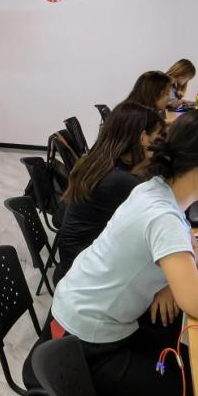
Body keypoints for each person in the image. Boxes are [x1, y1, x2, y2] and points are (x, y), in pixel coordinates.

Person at [51, 110, 198, 396]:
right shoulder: (163, 217)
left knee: (181, 352)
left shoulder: (153, 189)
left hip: (76, 314)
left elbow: (187, 247)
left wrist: (176, 281)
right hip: (88, 345)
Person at [52, 102, 165, 282]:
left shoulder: (102, 160)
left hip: (77, 262)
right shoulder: (119, 180)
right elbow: (164, 211)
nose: (159, 144)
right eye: (157, 137)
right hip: (81, 275)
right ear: (144, 139)